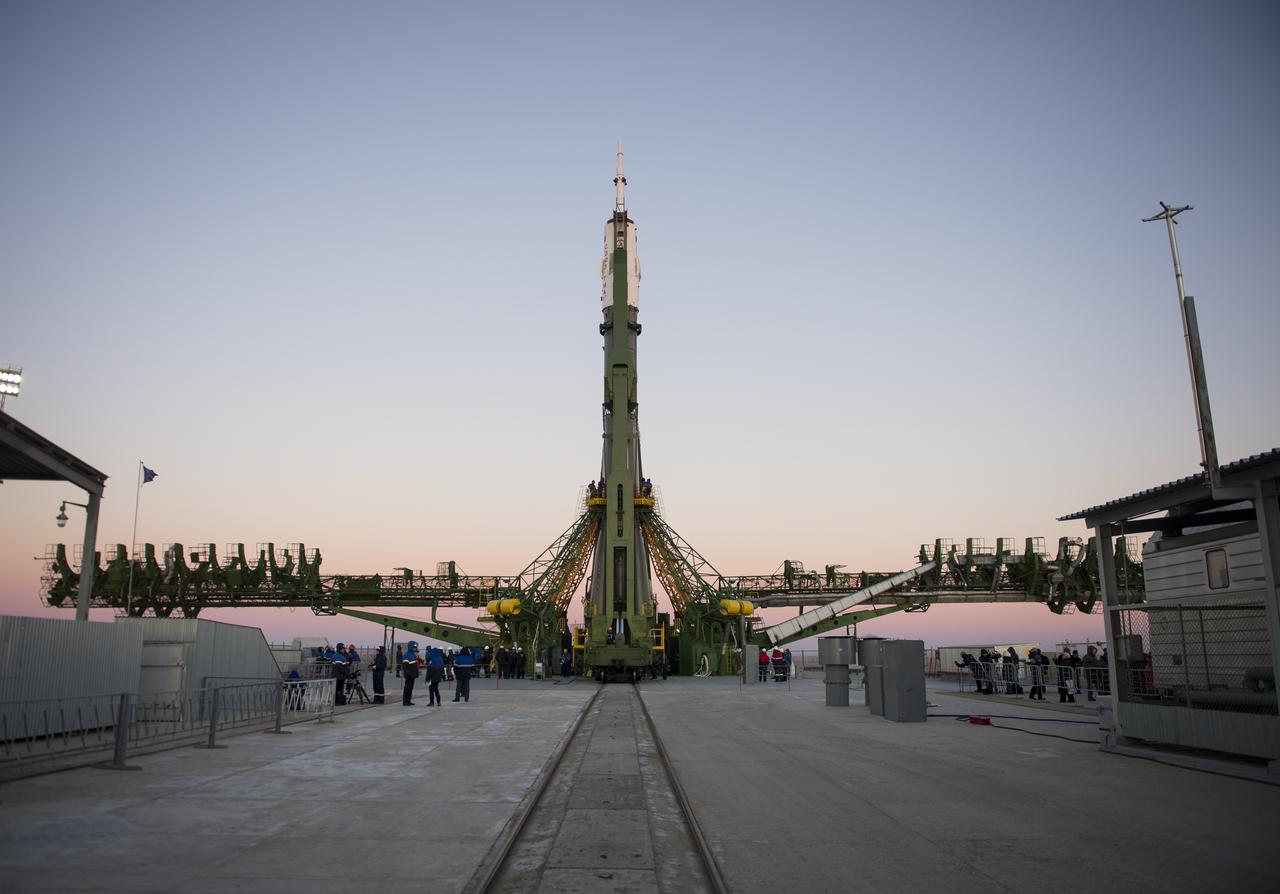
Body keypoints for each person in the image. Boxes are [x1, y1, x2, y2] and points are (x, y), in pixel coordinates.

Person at [401, 641, 420, 705]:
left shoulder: (413, 655)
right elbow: (406, 666)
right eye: (414, 647)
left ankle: (408, 700)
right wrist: (409, 674)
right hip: (409, 675)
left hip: (412, 675)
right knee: (407, 688)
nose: (415, 649)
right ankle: (405, 701)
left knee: (410, 688)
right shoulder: (407, 655)